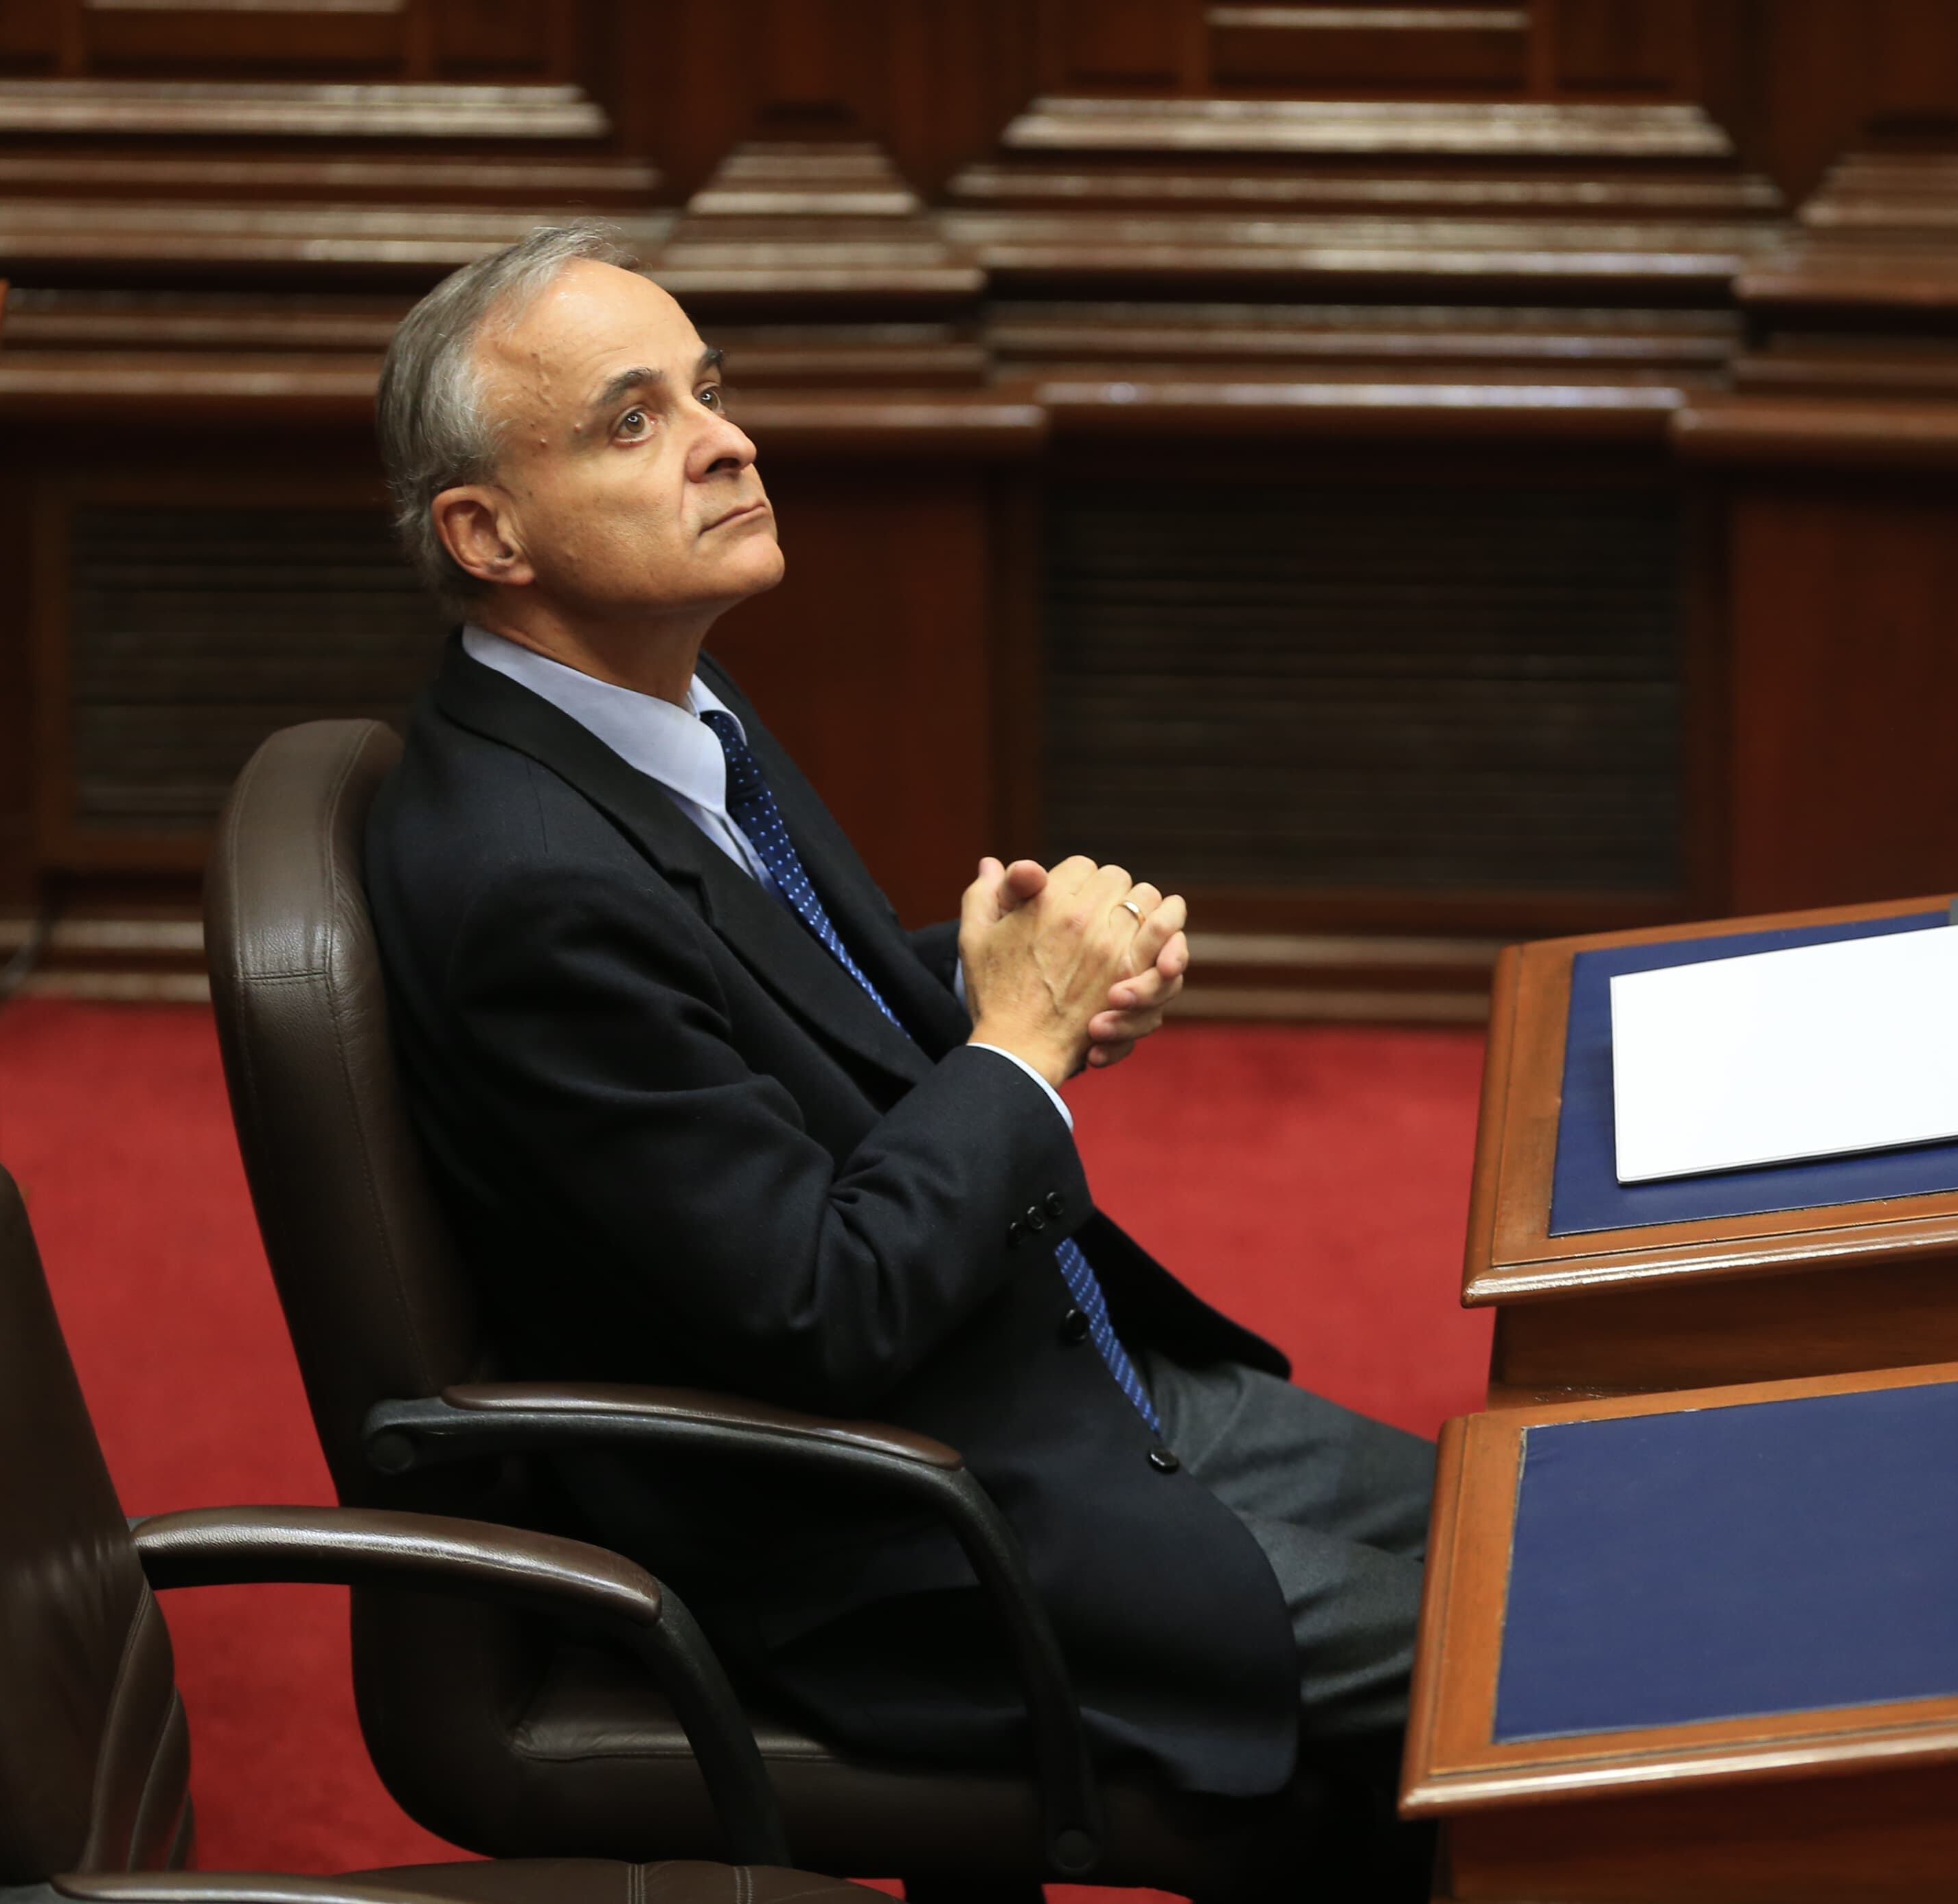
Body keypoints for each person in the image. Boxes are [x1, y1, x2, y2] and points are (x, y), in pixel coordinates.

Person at [362, 220, 1434, 1894]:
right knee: (1547, 1657)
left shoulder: (665, 715)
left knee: (1547, 1542)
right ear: (485, 531)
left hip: (1054, 1383)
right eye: (634, 419)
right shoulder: (523, 885)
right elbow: (819, 1306)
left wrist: (1032, 987)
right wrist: (1011, 1048)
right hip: (899, 1533)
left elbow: (766, 1020)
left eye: (709, 389)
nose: (728, 438)